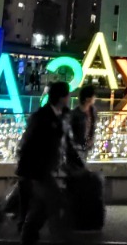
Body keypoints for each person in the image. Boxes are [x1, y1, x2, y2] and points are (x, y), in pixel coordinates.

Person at [15, 81, 83, 244]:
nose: (69, 98)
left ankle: (28, 235)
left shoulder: (63, 116)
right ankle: (53, 237)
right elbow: (27, 144)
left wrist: (78, 165)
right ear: (61, 97)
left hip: (47, 170)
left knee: (42, 207)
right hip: (37, 170)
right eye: (67, 95)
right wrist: (27, 170)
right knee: (55, 202)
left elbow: (67, 144)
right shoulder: (42, 117)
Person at [70, 85, 97, 158]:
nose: (95, 98)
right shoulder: (75, 114)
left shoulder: (92, 110)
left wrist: (91, 139)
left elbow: (92, 126)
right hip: (77, 148)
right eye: (93, 96)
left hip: (87, 146)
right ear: (87, 98)